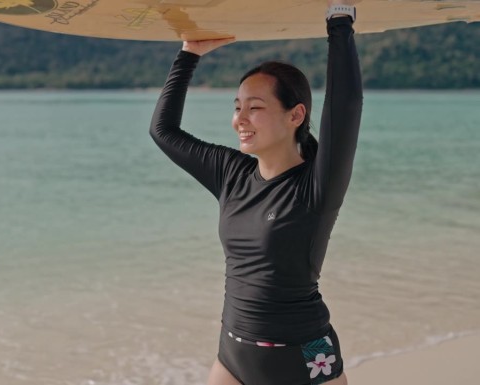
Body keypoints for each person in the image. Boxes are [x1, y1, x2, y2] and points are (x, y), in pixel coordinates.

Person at [148, 0, 362, 384]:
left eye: (255, 107)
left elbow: (345, 107)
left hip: (307, 355)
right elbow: (163, 131)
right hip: (233, 354)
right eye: (237, 107)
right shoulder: (231, 172)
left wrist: (340, 20)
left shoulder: (317, 186)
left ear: (295, 115)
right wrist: (189, 55)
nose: (239, 120)